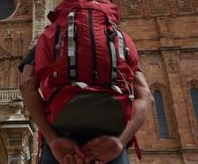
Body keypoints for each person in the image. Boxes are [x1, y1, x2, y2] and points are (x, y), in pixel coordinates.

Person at [19, 47, 154, 164]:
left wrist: (52, 138)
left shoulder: (49, 37)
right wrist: (120, 140)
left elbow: (27, 84)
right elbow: (146, 96)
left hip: (62, 150)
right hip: (109, 148)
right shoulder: (118, 38)